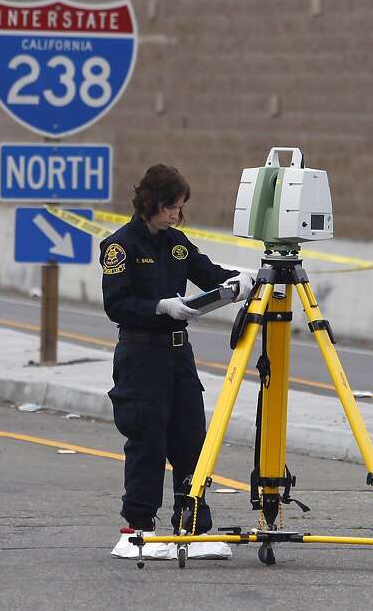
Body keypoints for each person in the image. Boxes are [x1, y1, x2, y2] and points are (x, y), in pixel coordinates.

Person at [101, 164, 254, 559]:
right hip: (141, 354)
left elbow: (207, 274)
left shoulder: (177, 243)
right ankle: (138, 528)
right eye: (170, 207)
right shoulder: (121, 247)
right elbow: (117, 305)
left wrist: (239, 282)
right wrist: (159, 307)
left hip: (177, 354)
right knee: (147, 440)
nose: (174, 215)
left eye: (179, 208)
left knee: (190, 440)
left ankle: (191, 527)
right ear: (151, 203)